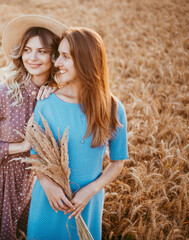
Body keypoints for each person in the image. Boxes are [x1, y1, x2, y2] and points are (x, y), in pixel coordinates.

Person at [0, 15, 66, 240]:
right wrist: (22, 145)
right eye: (28, 50)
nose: (33, 57)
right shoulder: (2, 95)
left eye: (42, 51)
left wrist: (54, 94)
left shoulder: (56, 98)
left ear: (54, 56)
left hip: (34, 190)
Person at [27, 27, 129, 240]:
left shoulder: (112, 107)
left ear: (85, 60)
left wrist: (90, 191)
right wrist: (47, 184)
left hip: (86, 204)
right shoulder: (47, 102)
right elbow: (35, 155)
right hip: (49, 201)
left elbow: (117, 162)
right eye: (58, 56)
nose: (57, 63)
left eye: (65, 57)